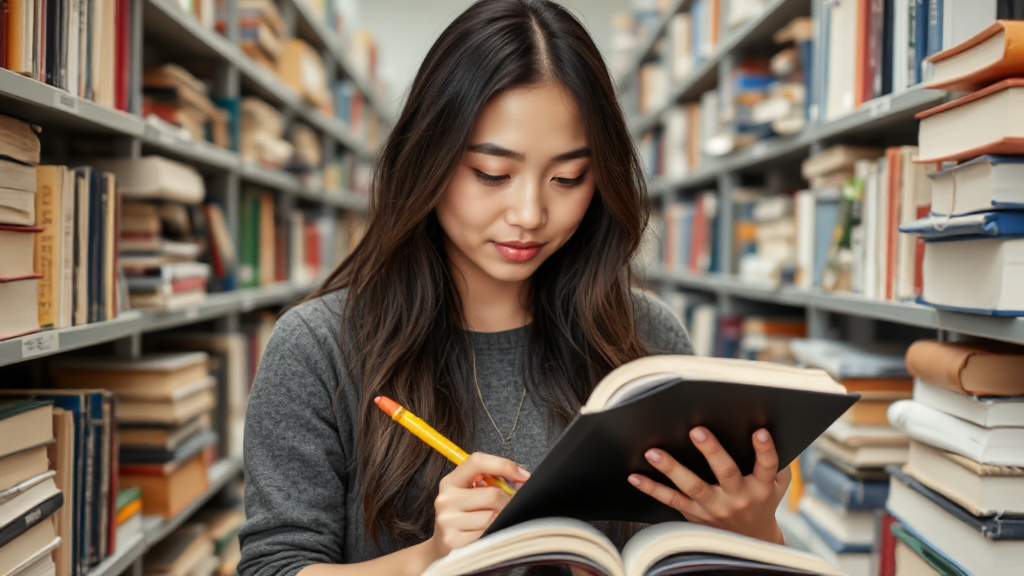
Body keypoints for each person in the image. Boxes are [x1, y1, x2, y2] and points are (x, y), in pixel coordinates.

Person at [238, 1, 791, 575]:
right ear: (427, 157)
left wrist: (754, 534)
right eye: (492, 174)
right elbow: (273, 567)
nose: (530, 213)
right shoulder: (317, 348)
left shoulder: (646, 338)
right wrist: (429, 559)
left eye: (568, 178)